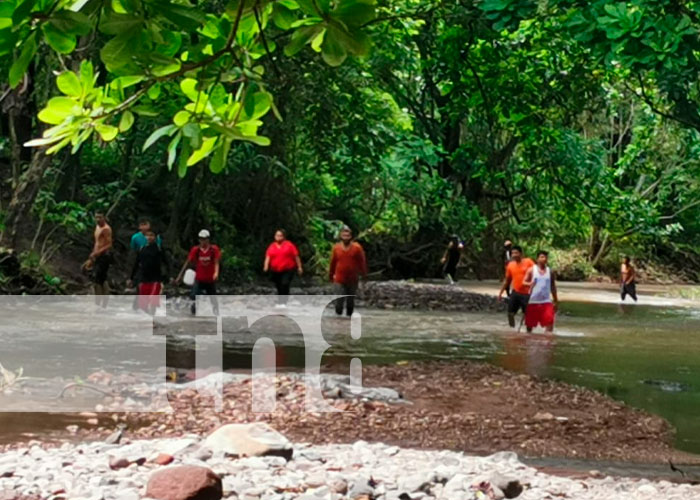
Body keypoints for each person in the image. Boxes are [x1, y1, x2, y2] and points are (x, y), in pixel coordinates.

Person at [176, 229, 221, 315]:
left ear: (208, 239)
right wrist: (180, 276)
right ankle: (194, 315)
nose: (202, 241)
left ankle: (216, 315)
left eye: (204, 239)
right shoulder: (196, 250)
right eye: (201, 239)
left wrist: (216, 273)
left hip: (210, 279)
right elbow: (187, 262)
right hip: (199, 278)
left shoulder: (213, 250)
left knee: (213, 299)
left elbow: (216, 262)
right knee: (193, 296)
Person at [329, 226, 368, 317]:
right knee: (339, 301)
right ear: (340, 236)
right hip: (339, 279)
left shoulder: (357, 248)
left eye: (347, 235)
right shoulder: (336, 248)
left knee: (350, 302)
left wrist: (364, 274)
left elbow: (362, 262)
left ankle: (348, 320)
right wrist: (330, 275)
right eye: (344, 235)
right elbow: (333, 262)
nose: (346, 237)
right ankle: (338, 320)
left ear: (351, 236)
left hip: (353, 279)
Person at [131, 230, 169, 314]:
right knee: (143, 304)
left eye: (151, 235)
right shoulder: (142, 249)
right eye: (147, 235)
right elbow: (136, 264)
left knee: (153, 302)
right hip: (144, 278)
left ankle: (152, 319)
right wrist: (131, 277)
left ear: (155, 237)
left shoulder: (159, 249)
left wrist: (168, 276)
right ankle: (147, 317)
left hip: (155, 279)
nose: (149, 237)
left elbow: (166, 263)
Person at [264, 229, 303, 306]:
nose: (278, 237)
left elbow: (296, 256)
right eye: (277, 235)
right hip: (275, 270)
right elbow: (268, 257)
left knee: (284, 284)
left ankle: (283, 302)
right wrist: (266, 266)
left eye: (280, 235)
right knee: (278, 285)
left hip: (288, 269)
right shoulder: (272, 246)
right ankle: (280, 301)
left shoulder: (289, 245)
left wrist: (299, 267)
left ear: (284, 237)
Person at [523, 250, 559, 334]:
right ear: (537, 259)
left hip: (546, 302)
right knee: (529, 327)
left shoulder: (550, 271)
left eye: (546, 257)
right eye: (542, 257)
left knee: (549, 323)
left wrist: (556, 300)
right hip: (532, 301)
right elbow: (523, 282)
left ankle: (547, 341)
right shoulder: (531, 270)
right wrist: (530, 283)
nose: (544, 259)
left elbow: (553, 287)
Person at [498, 245, 534, 328]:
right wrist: (501, 292)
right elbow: (507, 280)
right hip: (516, 292)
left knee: (528, 315)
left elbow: (536, 273)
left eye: (516, 253)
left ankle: (529, 332)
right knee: (510, 313)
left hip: (527, 293)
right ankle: (512, 329)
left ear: (521, 253)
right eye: (512, 253)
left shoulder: (528, 262)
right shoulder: (510, 265)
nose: (514, 255)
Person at [87, 212, 113, 304]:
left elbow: (109, 244)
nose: (98, 219)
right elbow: (97, 243)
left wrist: (97, 253)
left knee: (99, 279)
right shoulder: (97, 227)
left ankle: (102, 302)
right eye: (96, 217)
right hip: (97, 255)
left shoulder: (106, 229)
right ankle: (99, 302)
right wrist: (93, 255)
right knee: (98, 278)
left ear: (104, 218)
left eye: (100, 217)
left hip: (104, 256)